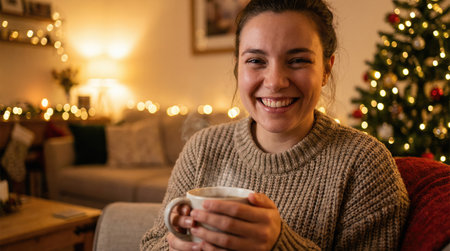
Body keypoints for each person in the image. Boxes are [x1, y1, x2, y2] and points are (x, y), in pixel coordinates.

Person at [141, 0, 410, 250]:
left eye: (298, 60)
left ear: (327, 69)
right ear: (238, 68)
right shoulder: (203, 148)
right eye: (256, 61)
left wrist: (279, 244)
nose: (275, 81)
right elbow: (153, 241)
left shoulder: (363, 163)